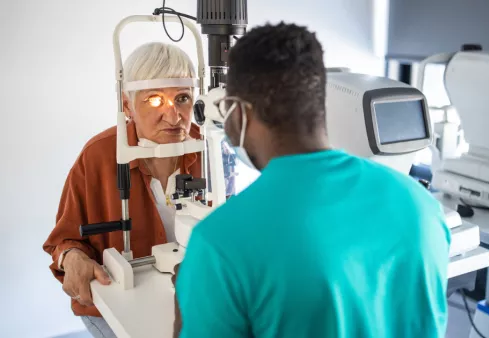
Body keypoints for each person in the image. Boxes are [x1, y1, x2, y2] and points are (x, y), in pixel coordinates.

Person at [174, 22, 451, 338]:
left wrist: (186, 300)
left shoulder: (219, 243)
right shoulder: (421, 206)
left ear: (236, 114)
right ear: (318, 104)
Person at [42, 41, 233, 338]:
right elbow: (63, 241)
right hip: (119, 300)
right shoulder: (98, 156)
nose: (173, 117)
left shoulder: (209, 146)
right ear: (127, 105)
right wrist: (72, 258)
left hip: (193, 290)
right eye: (155, 100)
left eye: (182, 98)